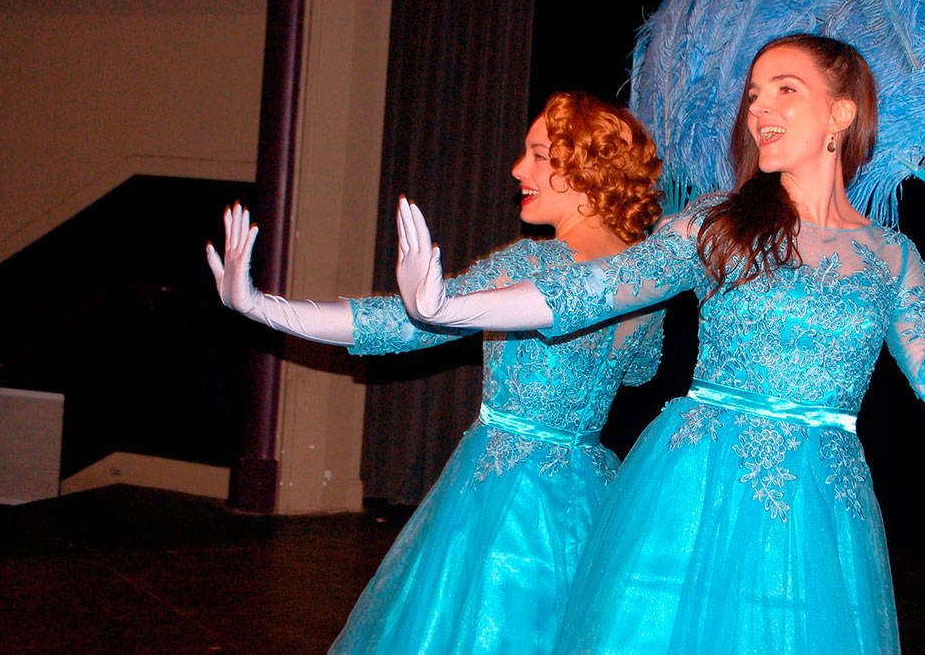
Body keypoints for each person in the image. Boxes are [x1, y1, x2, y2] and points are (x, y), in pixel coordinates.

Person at [394, 34, 925, 653]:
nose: (759, 109)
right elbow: (590, 291)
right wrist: (446, 307)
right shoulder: (717, 224)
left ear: (841, 113)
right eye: (753, 96)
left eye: (785, 90)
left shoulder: (891, 255)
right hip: (694, 489)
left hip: (814, 513)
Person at [206, 92, 666, 654]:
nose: (519, 169)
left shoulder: (530, 263)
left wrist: (265, 307)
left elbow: (404, 324)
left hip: (503, 495)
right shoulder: (646, 282)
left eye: (539, 154)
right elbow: (642, 373)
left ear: (587, 165)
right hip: (588, 493)